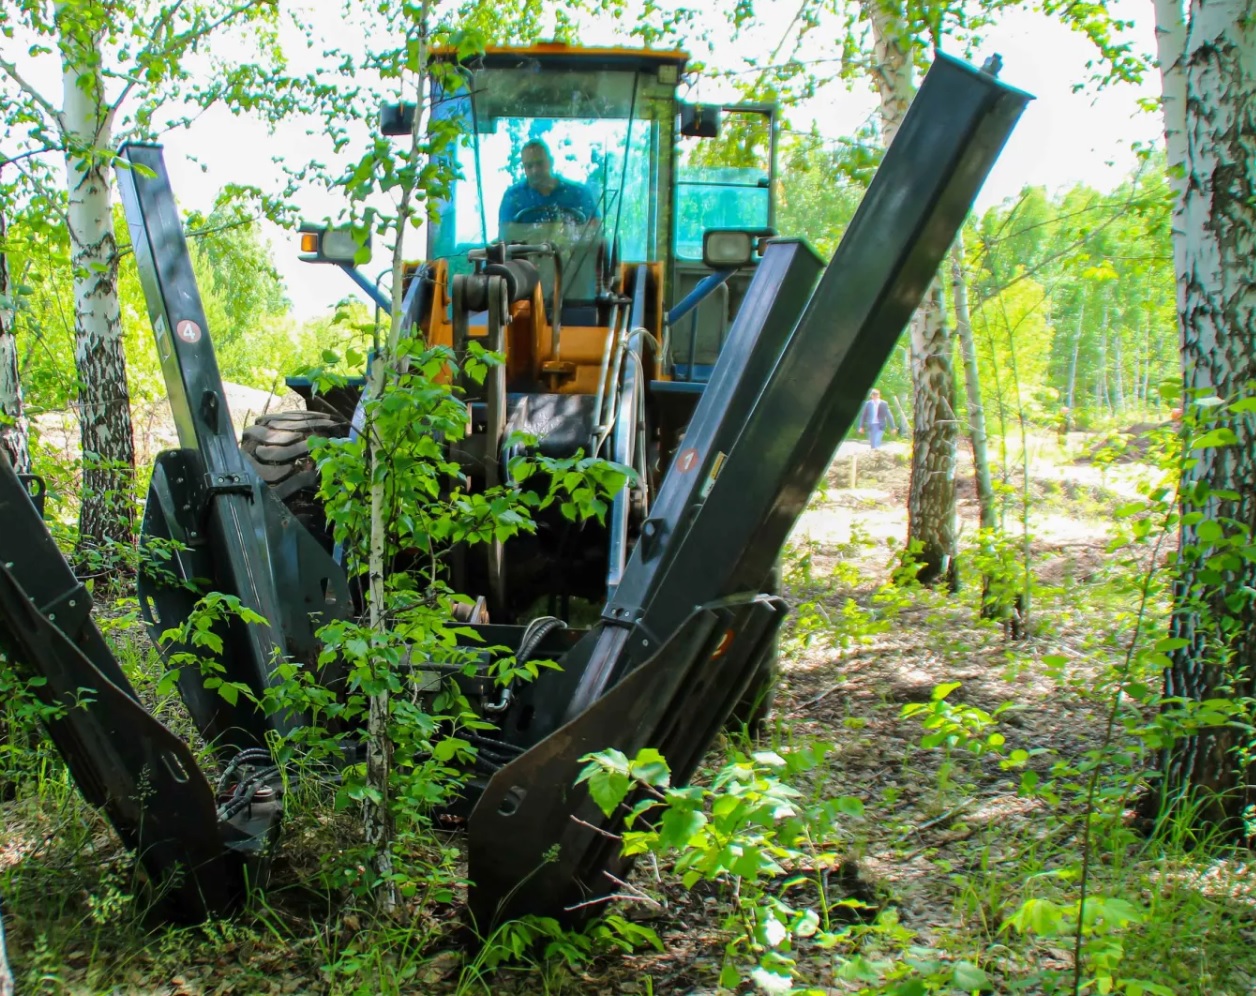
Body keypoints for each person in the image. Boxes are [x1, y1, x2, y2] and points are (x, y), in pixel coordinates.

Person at [498, 139, 598, 230]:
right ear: (523, 167)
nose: (535, 171)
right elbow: (506, 235)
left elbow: (596, 230)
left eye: (539, 164)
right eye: (529, 166)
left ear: (551, 162)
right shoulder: (513, 197)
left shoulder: (579, 193)